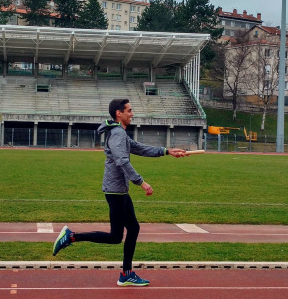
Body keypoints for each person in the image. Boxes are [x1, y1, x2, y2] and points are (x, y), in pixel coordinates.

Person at [52, 98, 189, 287]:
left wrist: (167, 151)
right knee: (116, 237)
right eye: (129, 110)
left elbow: (139, 148)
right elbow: (122, 161)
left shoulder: (121, 133)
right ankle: (72, 237)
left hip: (120, 191)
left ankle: (126, 274)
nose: (132, 114)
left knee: (132, 229)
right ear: (119, 113)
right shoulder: (117, 134)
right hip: (115, 191)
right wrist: (141, 182)